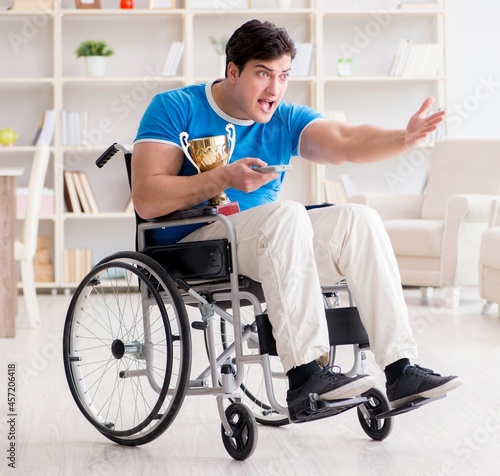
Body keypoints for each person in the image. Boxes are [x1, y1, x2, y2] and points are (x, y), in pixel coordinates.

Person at [132, 19, 461, 422]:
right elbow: (146, 199)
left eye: (283, 76)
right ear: (232, 71)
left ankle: (400, 369)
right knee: (286, 214)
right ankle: (306, 376)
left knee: (359, 219)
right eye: (263, 74)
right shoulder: (175, 107)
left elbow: (345, 140)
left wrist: (402, 139)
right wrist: (223, 177)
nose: (274, 89)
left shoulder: (284, 118)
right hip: (195, 242)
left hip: (267, 239)